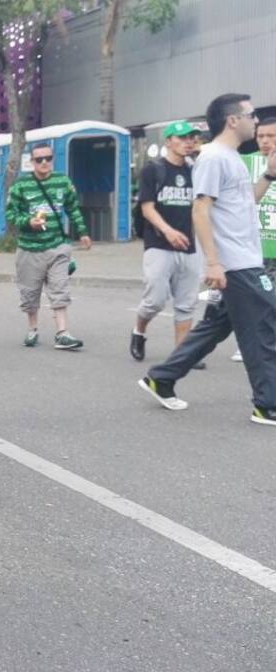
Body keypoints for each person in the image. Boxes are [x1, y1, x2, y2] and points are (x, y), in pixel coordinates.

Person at [139, 93, 276, 427]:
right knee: (265, 325)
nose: (255, 121)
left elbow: (245, 204)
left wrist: (269, 175)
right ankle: (267, 404)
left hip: (242, 257)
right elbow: (200, 209)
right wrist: (213, 264)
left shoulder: (230, 158)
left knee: (215, 327)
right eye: (251, 114)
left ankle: (162, 377)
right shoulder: (214, 157)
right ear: (233, 120)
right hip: (235, 262)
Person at [6, 142, 93, 350]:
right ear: (32, 162)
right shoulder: (20, 186)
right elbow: (10, 214)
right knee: (30, 292)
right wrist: (28, 222)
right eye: (39, 159)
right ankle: (32, 329)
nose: (44, 162)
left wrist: (82, 232)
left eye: (48, 158)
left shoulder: (63, 182)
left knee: (59, 288)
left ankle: (62, 333)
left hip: (57, 246)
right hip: (29, 248)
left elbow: (73, 209)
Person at [131, 121, 202, 364]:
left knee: (187, 303)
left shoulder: (196, 171)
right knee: (155, 300)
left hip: (189, 246)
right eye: (182, 138)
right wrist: (168, 231)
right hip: (159, 245)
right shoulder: (154, 170)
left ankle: (181, 354)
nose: (188, 142)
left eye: (192, 138)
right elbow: (147, 208)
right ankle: (139, 330)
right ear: (168, 141)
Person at [231, 116, 276, 363]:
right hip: (254, 248)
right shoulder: (245, 163)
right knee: (257, 301)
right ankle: (249, 343)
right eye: (261, 136)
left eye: (271, 136)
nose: (265, 141)